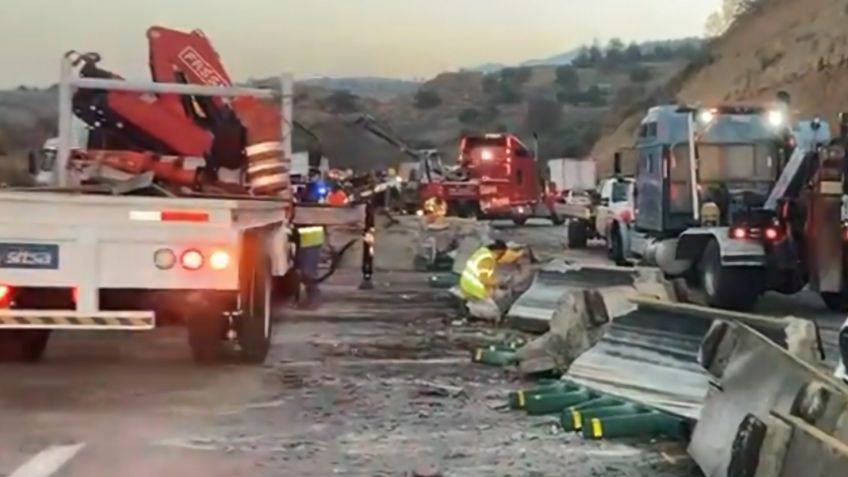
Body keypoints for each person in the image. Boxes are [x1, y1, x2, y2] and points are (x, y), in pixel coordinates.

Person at [294, 225, 325, 309]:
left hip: (310, 233)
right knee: (304, 269)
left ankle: (313, 299)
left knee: (307, 270)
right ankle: (311, 298)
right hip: (305, 232)